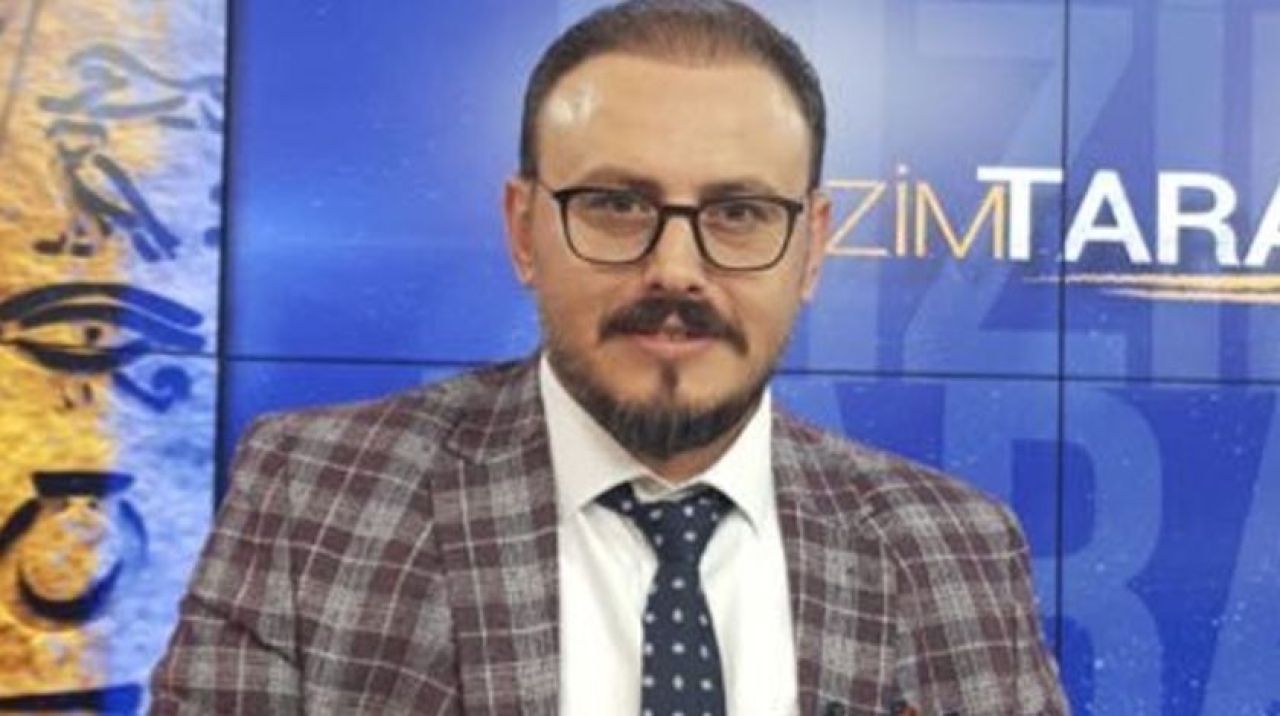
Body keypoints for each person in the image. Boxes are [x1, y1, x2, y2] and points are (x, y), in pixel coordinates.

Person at [149, 1, 1068, 714]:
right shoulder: (313, 496)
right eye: (617, 205)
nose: (676, 269)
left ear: (814, 246)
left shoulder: (955, 548)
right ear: (524, 230)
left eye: (739, 213)